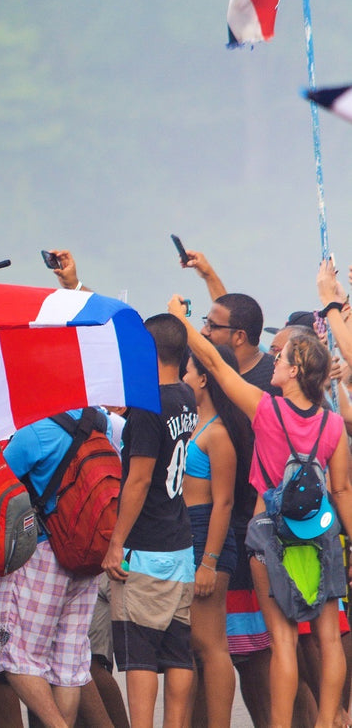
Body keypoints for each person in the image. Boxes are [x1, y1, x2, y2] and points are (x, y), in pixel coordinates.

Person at [170, 288, 352, 728]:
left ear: (291, 371)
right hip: (321, 533)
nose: (275, 362)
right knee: (329, 638)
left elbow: (213, 364)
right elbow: (342, 489)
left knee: (283, 641)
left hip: (269, 534)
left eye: (282, 357)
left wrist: (182, 322)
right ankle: (328, 721)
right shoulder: (332, 424)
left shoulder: (266, 411)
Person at [102, 314, 197, 728]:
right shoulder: (186, 396)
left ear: (146, 349)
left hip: (145, 550)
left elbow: (138, 479)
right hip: (180, 545)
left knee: (140, 655)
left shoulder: (146, 408)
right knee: (178, 652)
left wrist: (115, 541)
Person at [0, 410, 106, 728]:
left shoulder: (35, 432)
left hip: (43, 554)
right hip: (87, 552)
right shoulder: (98, 423)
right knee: (67, 665)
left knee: (16, 658)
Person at [181, 346, 249, 728]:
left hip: (209, 534)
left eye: (186, 373)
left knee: (211, 644)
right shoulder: (194, 426)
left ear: (204, 378)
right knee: (192, 644)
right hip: (189, 532)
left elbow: (224, 503)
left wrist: (208, 561)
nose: (182, 380)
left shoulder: (218, 433)